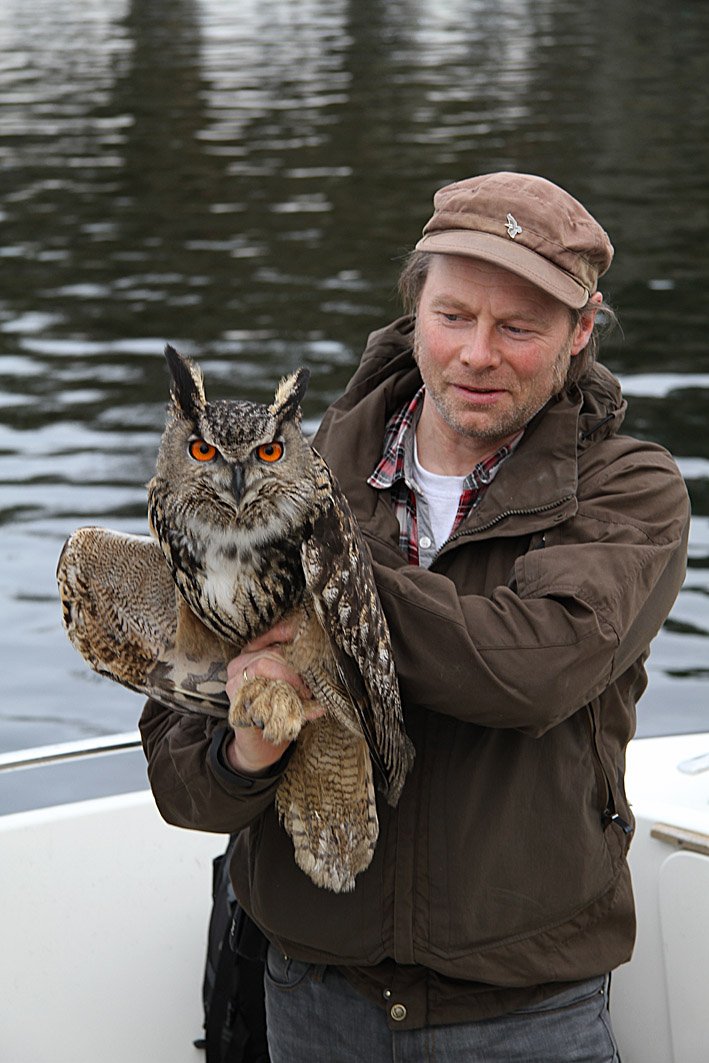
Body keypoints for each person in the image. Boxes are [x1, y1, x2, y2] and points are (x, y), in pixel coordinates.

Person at [140, 171, 690, 1062]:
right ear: (414, 307)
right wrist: (248, 746)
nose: (478, 353)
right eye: (454, 316)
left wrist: (328, 577)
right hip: (310, 997)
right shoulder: (286, 477)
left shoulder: (631, 490)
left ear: (579, 330)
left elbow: (532, 665)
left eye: (518, 328)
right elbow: (180, 782)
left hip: (524, 1018)